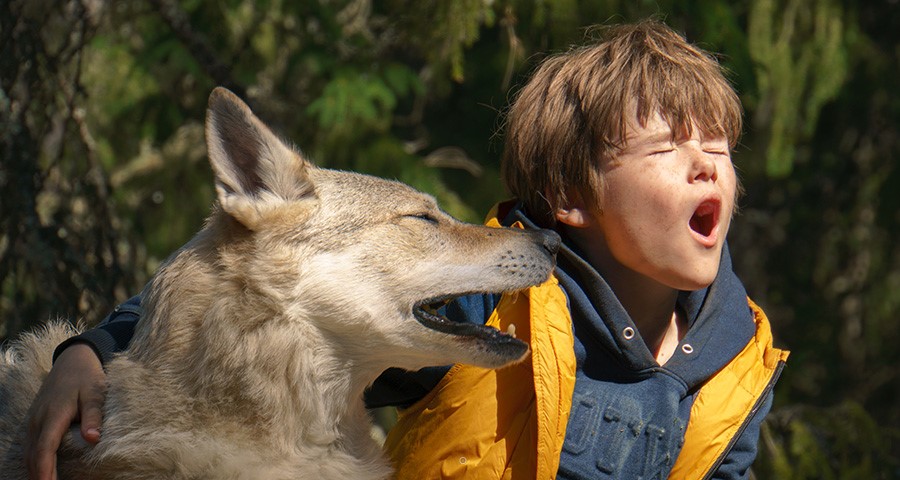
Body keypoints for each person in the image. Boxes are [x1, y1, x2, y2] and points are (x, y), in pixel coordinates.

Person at [25, 20, 788, 480]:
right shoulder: (491, 308)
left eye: (721, 148)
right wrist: (87, 354)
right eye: (668, 148)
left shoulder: (740, 361)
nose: (707, 165)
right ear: (571, 198)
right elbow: (223, 298)